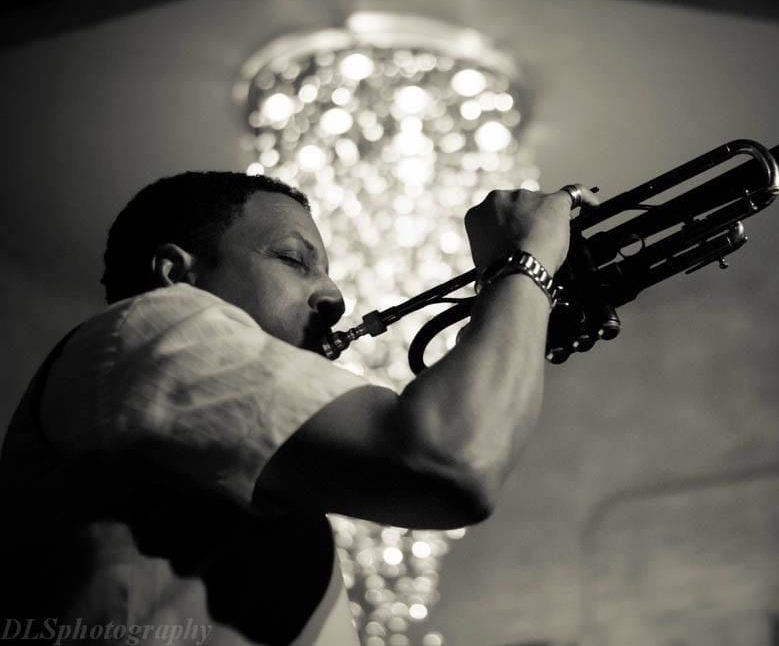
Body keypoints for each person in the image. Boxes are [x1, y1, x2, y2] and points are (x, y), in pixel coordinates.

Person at [0, 171, 598, 645]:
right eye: (292, 259)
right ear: (176, 275)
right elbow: (454, 458)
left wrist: (514, 296)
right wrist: (525, 266)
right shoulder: (150, 325)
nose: (335, 296)